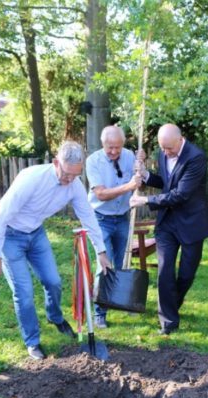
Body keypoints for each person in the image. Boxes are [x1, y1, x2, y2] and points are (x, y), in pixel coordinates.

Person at [0, 141, 111, 360]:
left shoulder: (74, 185)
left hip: (36, 234)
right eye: (66, 174)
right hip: (10, 236)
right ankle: (32, 342)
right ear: (56, 162)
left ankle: (54, 317)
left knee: (53, 281)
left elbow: (88, 217)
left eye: (76, 175)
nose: (70, 180)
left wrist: (101, 251)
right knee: (24, 292)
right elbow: (0, 214)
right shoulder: (31, 178)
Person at [130, 123, 208, 334]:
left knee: (186, 274)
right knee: (165, 270)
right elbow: (166, 182)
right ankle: (168, 322)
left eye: (169, 149)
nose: (165, 153)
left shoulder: (196, 157)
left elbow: (180, 194)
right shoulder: (163, 152)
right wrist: (147, 175)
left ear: (180, 139)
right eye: (162, 148)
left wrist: (146, 200)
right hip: (167, 222)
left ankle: (172, 304)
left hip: (192, 222)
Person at [86, 125, 142, 329]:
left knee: (120, 263)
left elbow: (140, 178)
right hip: (100, 219)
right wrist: (129, 186)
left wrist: (141, 166)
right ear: (103, 144)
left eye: (118, 147)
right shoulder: (93, 161)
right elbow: (100, 193)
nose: (114, 151)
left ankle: (118, 301)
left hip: (122, 217)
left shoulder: (129, 156)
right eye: (110, 147)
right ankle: (100, 312)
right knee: (105, 265)